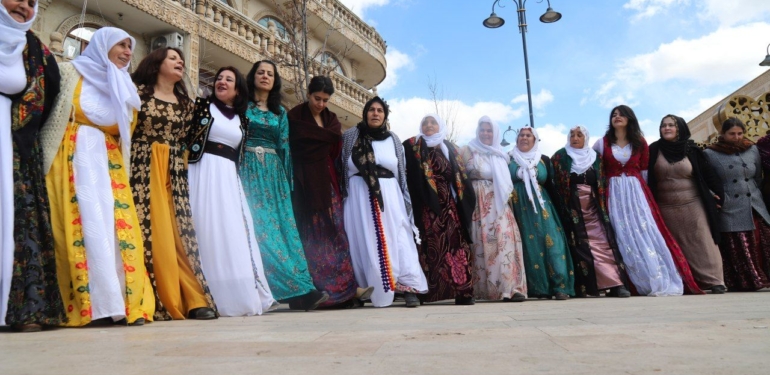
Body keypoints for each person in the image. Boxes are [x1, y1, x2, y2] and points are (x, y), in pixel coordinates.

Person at [42, 27, 154, 326]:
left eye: (131, 47)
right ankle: (88, 305)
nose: (128, 52)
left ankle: (120, 303)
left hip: (108, 164)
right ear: (102, 45)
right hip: (70, 156)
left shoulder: (124, 85)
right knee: (78, 226)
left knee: (113, 230)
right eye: (122, 45)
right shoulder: (69, 72)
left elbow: (126, 132)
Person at [130, 48, 217, 320]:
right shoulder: (136, 93)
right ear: (157, 64)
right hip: (140, 166)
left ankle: (192, 298)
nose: (180, 62)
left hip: (174, 172)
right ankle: (145, 298)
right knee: (144, 230)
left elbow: (192, 141)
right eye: (173, 58)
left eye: (181, 59)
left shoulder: (187, 104)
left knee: (180, 234)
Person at [187, 66, 276, 316]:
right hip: (201, 172)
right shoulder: (201, 107)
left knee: (232, 229)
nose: (222, 81)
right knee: (203, 226)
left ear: (238, 91)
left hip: (228, 177)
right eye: (219, 78)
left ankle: (234, 293)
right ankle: (202, 293)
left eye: (229, 79)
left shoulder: (242, 119)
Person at [241, 60, 328, 310]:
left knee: (285, 232)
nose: (265, 76)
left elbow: (284, 147)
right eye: (261, 72)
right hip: (248, 171)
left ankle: (300, 289)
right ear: (253, 76)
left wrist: (286, 182)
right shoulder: (242, 107)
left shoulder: (280, 112)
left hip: (275, 175)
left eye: (270, 73)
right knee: (262, 230)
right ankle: (292, 290)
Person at [0, 0, 65, 331]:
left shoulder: (36, 50)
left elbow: (51, 94)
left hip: (16, 145)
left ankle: (24, 309)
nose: (23, 6)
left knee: (17, 219)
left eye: (30, 3)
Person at [592, 105, 702, 296]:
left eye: (621, 114)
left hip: (636, 193)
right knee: (619, 232)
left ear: (630, 118)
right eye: (614, 115)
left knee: (645, 229)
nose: (617, 117)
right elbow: (596, 172)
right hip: (613, 193)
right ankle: (624, 282)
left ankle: (654, 275)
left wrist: (646, 197)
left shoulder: (640, 143)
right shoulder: (601, 144)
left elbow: (644, 172)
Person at [287, 76, 372, 308]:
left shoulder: (332, 120)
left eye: (325, 100)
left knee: (336, 234)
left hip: (328, 183)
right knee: (314, 237)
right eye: (317, 98)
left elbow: (334, 150)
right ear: (308, 94)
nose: (321, 104)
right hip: (306, 184)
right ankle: (322, 292)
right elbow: (294, 148)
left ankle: (347, 290)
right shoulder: (294, 117)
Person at [341, 96, 428, 307]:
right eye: (372, 110)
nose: (376, 114)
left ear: (385, 116)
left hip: (389, 194)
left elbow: (400, 172)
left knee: (399, 238)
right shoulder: (351, 136)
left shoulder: (393, 139)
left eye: (380, 110)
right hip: (358, 194)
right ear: (365, 113)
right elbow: (343, 165)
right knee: (361, 240)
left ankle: (408, 288)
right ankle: (362, 289)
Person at [649, 115, 726, 294]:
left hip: (693, 203)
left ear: (680, 128)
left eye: (671, 125)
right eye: (663, 126)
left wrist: (717, 196)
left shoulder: (692, 149)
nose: (666, 128)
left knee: (703, 241)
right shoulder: (653, 149)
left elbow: (709, 175)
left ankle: (715, 281)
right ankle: (686, 282)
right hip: (665, 207)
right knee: (674, 244)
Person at [551, 126, 629, 298]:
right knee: (581, 246)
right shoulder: (560, 157)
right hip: (572, 208)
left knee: (604, 242)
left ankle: (616, 284)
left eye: (579, 135)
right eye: (572, 134)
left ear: (586, 138)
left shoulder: (595, 158)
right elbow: (555, 184)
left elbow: (601, 182)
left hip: (594, 207)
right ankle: (588, 287)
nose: (575, 138)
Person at [460, 116, 527, 302]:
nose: (485, 133)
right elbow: (458, 177)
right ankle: (483, 289)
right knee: (480, 243)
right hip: (476, 202)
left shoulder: (501, 154)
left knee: (504, 240)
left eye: (489, 130)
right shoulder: (467, 150)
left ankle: (510, 288)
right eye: (482, 129)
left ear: (495, 133)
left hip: (499, 202)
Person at [508, 126, 574, 300]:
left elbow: (552, 185)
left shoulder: (543, 159)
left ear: (535, 139)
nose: (524, 138)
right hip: (518, 208)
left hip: (543, 206)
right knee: (529, 247)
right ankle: (539, 288)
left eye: (528, 135)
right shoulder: (509, 158)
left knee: (553, 243)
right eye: (521, 135)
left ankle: (560, 286)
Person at [704, 118, 770, 291]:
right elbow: (707, 180)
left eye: (740, 133)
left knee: (763, 241)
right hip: (730, 205)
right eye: (732, 134)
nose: (737, 137)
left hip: (755, 203)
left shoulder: (752, 149)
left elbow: (757, 178)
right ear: (723, 134)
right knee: (740, 245)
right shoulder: (710, 153)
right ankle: (750, 281)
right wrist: (715, 197)